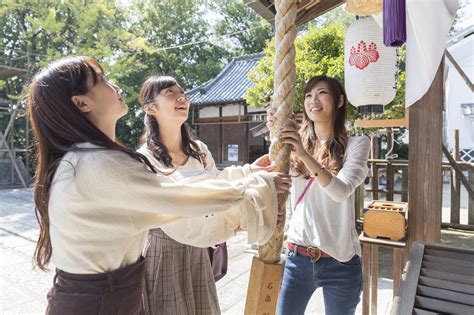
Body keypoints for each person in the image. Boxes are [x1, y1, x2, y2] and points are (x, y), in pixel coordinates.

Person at [27, 56, 291, 314]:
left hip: (105, 293)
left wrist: (249, 174)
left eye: (182, 92)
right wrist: (256, 187)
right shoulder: (99, 163)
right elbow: (180, 196)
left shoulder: (87, 159)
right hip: (108, 293)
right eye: (102, 80)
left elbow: (200, 183)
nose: (115, 86)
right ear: (81, 102)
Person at [137, 76, 277, 314]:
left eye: (182, 92)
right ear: (151, 108)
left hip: (199, 247)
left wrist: (252, 171)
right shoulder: (144, 159)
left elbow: (215, 183)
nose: (181, 97)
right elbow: (186, 198)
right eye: (170, 92)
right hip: (164, 249)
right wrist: (249, 184)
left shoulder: (199, 150)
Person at [267, 75, 370, 315]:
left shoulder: (357, 143)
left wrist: (303, 154)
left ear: (340, 101)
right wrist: (276, 131)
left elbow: (341, 191)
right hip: (297, 257)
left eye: (322, 93)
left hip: (341, 262)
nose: (314, 101)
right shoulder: (294, 144)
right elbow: (277, 179)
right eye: (308, 96)